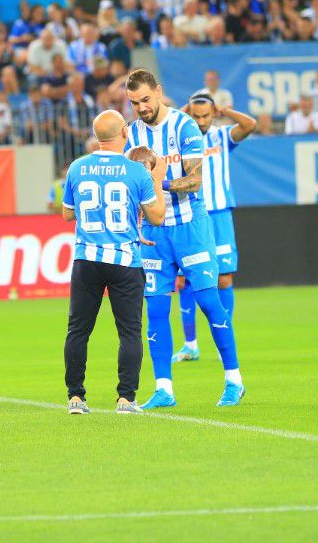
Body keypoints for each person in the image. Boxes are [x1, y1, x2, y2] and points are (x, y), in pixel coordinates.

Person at [123, 69, 244, 409]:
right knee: (157, 309)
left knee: (209, 303)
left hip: (191, 227)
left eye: (146, 99)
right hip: (153, 233)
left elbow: (195, 180)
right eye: (135, 103)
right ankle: (164, 389)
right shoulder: (131, 134)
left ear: (158, 92)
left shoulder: (184, 126)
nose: (142, 108)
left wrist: (157, 182)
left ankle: (234, 380)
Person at [60, 109, 165, 415]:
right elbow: (157, 217)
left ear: (96, 135)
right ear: (124, 134)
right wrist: (157, 180)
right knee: (130, 331)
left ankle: (76, 398)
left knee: (78, 330)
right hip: (124, 261)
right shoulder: (136, 172)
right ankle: (126, 399)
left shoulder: (78, 167)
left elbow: (68, 213)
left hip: (87, 258)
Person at [171, 91, 256, 363]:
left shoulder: (221, 136)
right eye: (195, 116)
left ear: (212, 114)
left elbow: (250, 125)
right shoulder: (180, 138)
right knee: (185, 281)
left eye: (205, 115)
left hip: (219, 214)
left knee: (224, 279)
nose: (201, 121)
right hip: (192, 214)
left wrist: (225, 111)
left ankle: (224, 340)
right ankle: (190, 345)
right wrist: (182, 113)